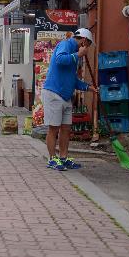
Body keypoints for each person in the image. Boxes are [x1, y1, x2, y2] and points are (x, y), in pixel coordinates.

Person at [42, 28, 99, 171]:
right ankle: (51, 159)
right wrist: (77, 55)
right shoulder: (66, 44)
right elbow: (59, 60)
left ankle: (63, 157)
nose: (88, 48)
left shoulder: (75, 54)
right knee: (53, 128)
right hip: (54, 92)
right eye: (89, 45)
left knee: (66, 129)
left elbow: (73, 79)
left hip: (66, 95)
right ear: (84, 41)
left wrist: (88, 87)